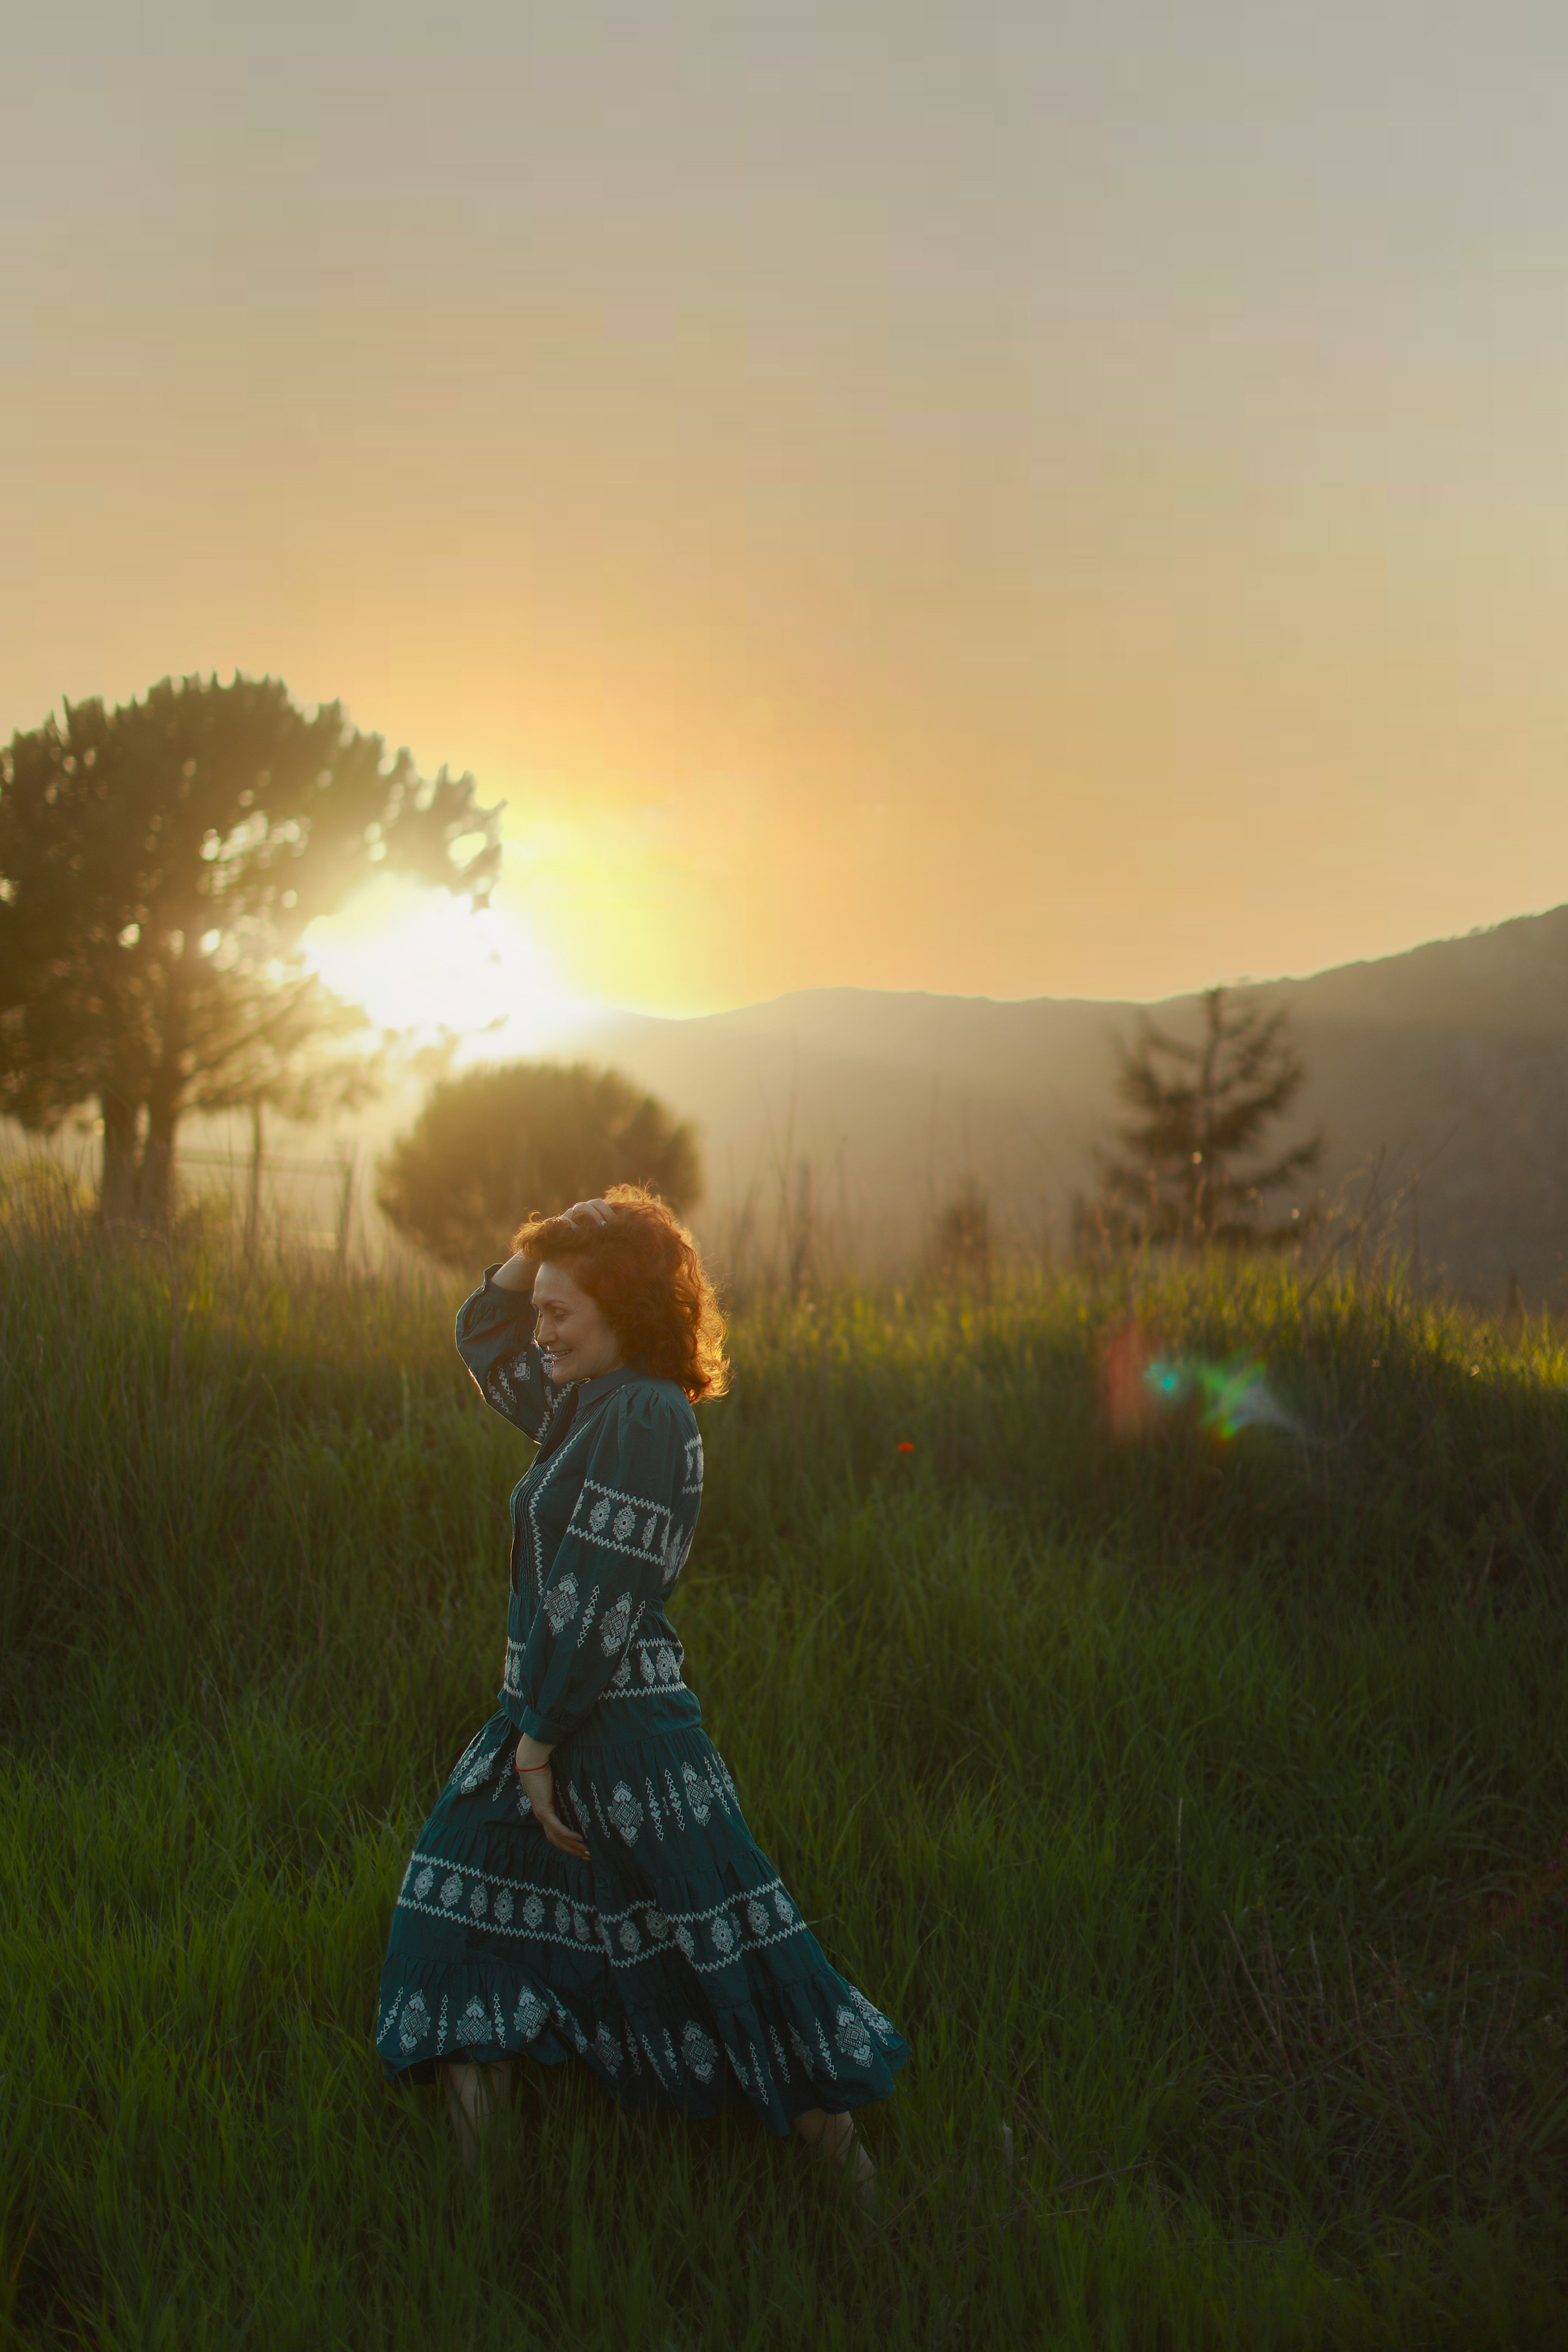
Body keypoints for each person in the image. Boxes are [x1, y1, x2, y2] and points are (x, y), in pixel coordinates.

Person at [374, 1185, 907, 2192]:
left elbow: (596, 1596)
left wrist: (537, 1741)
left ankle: (863, 2195)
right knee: (453, 1915)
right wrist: (554, 1251)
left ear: (626, 1313)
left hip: (619, 1737)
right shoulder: (584, 1397)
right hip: (548, 1721)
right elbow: (483, 1335)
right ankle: (475, 2193)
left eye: (561, 1312)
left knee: (730, 1957)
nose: (541, 1328)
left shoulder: (650, 1415)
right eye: (545, 1308)